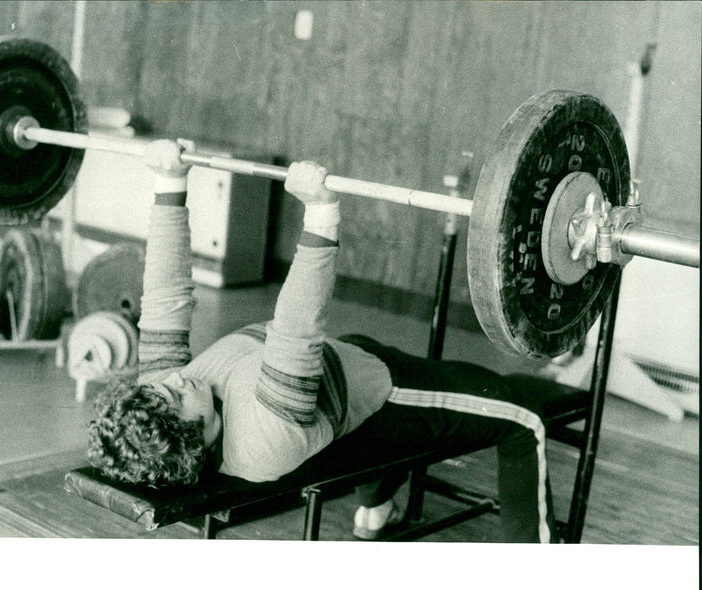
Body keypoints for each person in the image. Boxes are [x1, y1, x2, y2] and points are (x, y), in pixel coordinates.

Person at [88, 139, 556, 543]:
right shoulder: (262, 441)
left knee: (431, 372)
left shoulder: (159, 399)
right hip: (381, 394)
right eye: (175, 395)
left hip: (343, 362)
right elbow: (297, 327)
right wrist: (321, 212)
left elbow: (166, 295)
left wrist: (169, 182)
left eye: (161, 384)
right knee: (523, 416)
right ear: (198, 443)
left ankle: (374, 510)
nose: (175, 379)